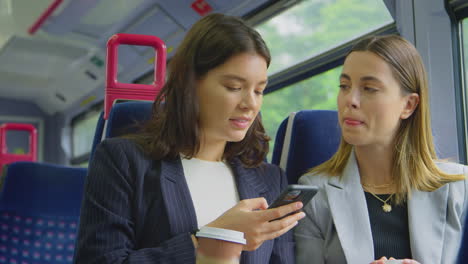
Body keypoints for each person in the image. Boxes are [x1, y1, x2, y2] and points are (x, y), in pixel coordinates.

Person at [73, 13, 305, 264]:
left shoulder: (270, 179)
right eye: (234, 88)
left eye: (259, 90)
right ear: (190, 84)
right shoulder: (123, 161)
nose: (251, 104)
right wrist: (209, 241)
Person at [295, 35, 468, 264]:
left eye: (369, 88)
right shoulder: (314, 193)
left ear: (408, 105)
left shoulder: (460, 188)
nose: (351, 100)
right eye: (344, 86)